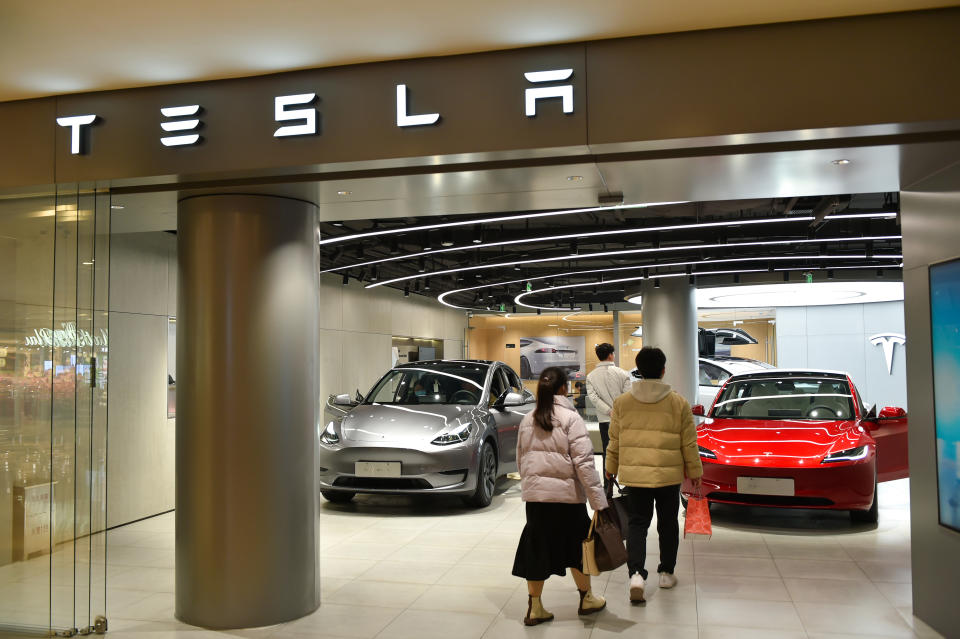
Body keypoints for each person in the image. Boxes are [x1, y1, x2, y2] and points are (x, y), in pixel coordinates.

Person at [512, 367, 609, 626]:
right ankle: (586, 598)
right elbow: (585, 463)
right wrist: (598, 501)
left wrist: (532, 485)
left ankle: (535, 607)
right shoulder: (571, 418)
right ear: (564, 389)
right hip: (568, 498)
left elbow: (521, 460)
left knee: (537, 547)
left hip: (536, 499)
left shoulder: (527, 418)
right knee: (579, 546)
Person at [605, 347, 703, 604]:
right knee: (668, 523)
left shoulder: (622, 403)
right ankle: (667, 573)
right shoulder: (678, 402)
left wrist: (610, 467)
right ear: (662, 370)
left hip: (635, 475)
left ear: (638, 370)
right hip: (668, 475)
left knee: (637, 523)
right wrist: (695, 472)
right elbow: (689, 443)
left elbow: (614, 441)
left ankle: (636, 574)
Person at [586, 343, 633, 483]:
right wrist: (618, 411)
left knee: (608, 451)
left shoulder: (591, 377)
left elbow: (593, 398)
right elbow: (628, 396)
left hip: (605, 420)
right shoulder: (623, 373)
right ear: (611, 355)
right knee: (625, 450)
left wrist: (608, 411)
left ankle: (609, 483)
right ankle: (626, 482)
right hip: (623, 419)